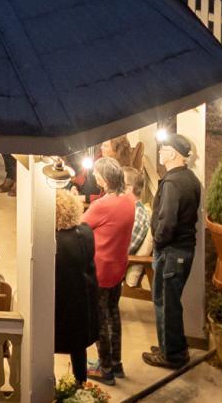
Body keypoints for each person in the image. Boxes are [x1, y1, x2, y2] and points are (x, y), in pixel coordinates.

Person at [143, 133, 201, 370]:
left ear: (174, 154)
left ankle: (173, 356)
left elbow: (167, 221)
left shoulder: (172, 183)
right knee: (170, 302)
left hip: (171, 253)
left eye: (163, 149)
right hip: (182, 251)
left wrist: (157, 242)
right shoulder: (190, 179)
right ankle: (170, 346)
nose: (159, 152)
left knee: (166, 304)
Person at [83, 157, 135, 385]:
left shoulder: (101, 205)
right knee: (113, 314)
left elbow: (80, 228)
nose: (94, 177)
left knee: (100, 319)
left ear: (104, 180)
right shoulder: (128, 201)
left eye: (96, 174)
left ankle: (105, 370)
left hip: (101, 270)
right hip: (118, 266)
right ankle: (116, 363)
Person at [54, 190, 100, 384]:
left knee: (50, 343)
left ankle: (51, 386)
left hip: (61, 302)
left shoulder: (55, 241)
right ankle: (81, 383)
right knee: (78, 347)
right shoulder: (86, 232)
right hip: (83, 298)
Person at [122, 167, 154, 289]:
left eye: (118, 183)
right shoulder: (129, 209)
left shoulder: (137, 216)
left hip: (112, 268)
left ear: (128, 189)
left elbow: (125, 251)